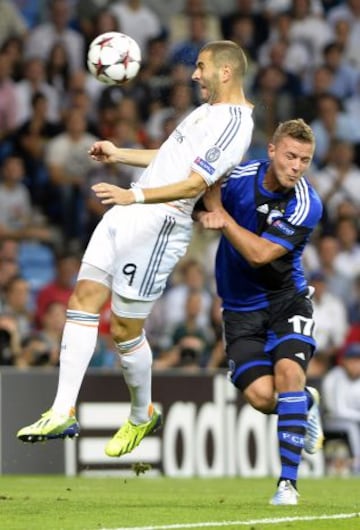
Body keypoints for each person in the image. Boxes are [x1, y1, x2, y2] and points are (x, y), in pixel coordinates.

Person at [17, 40, 254, 457]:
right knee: (84, 298)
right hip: (132, 207)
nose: (194, 74)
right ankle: (61, 410)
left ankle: (142, 415)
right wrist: (117, 154)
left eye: (201, 67)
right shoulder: (205, 112)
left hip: (160, 223)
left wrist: (136, 199)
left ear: (226, 72)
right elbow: (169, 158)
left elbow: (195, 184)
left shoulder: (236, 122)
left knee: (126, 331)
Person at [196, 119, 324, 505]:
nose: (296, 166)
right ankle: (307, 401)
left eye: (304, 159)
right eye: (290, 156)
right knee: (262, 397)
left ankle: (287, 485)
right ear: (271, 150)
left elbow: (259, 255)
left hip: (286, 300)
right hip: (239, 311)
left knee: (288, 373)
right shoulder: (239, 177)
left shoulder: (307, 203)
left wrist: (221, 215)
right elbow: (193, 183)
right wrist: (203, 212)